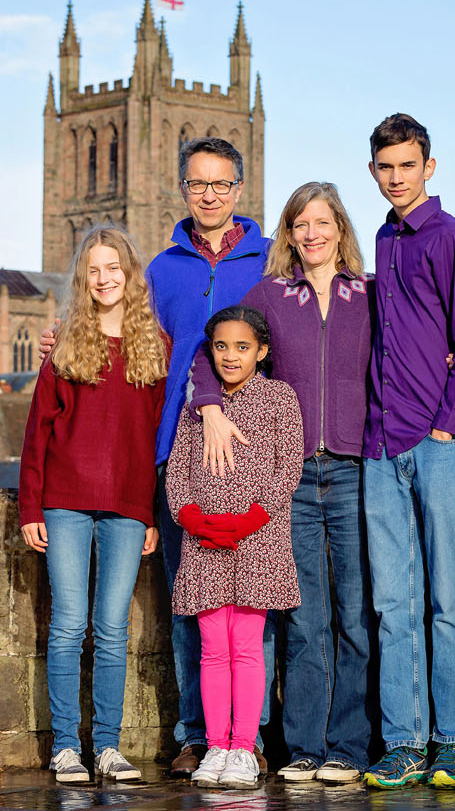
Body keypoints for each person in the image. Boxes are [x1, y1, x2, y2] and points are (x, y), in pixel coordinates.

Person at [41, 137, 273, 776]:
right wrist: (60, 343)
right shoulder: (163, 268)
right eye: (199, 184)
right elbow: (127, 335)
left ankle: (248, 738)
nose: (210, 195)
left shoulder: (266, 262)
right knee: (188, 603)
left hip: (250, 454)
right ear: (182, 189)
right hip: (178, 455)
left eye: (222, 184)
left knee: (255, 607)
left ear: (238, 188)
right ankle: (195, 735)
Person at [189, 182, 375, 783]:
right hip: (290, 477)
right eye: (301, 224)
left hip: (351, 468)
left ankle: (347, 745)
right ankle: (302, 746)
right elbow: (213, 342)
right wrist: (212, 404)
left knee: (354, 612)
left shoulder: (366, 296)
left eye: (322, 222)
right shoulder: (271, 293)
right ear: (289, 234)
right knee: (302, 616)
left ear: (340, 229)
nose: (312, 234)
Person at [361, 114, 455, 790]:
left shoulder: (452, 239)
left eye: (407, 165)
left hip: (443, 443)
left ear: (429, 168)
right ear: (373, 172)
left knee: (448, 599)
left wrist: (447, 424)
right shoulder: (383, 243)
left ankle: (453, 744)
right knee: (394, 602)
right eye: (386, 167)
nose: (396, 178)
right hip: (383, 445)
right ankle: (404, 744)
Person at [18, 226, 166, 783]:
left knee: (111, 628)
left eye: (114, 268)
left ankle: (106, 746)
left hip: (127, 504)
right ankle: (65, 746)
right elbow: (38, 432)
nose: (105, 279)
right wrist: (30, 507)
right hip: (65, 500)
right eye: (94, 270)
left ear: (130, 275)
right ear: (83, 279)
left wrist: (150, 512)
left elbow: (156, 439)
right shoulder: (65, 346)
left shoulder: (155, 347)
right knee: (68, 624)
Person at [166, 306, 303, 789]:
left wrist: (247, 520)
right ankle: (216, 745)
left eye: (242, 347)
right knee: (211, 650)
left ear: (262, 351)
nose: (230, 356)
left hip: (258, 544)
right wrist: (193, 519)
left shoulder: (279, 400)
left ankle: (244, 748)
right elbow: (177, 473)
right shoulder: (197, 407)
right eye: (221, 346)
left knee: (246, 649)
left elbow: (287, 470)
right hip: (204, 546)